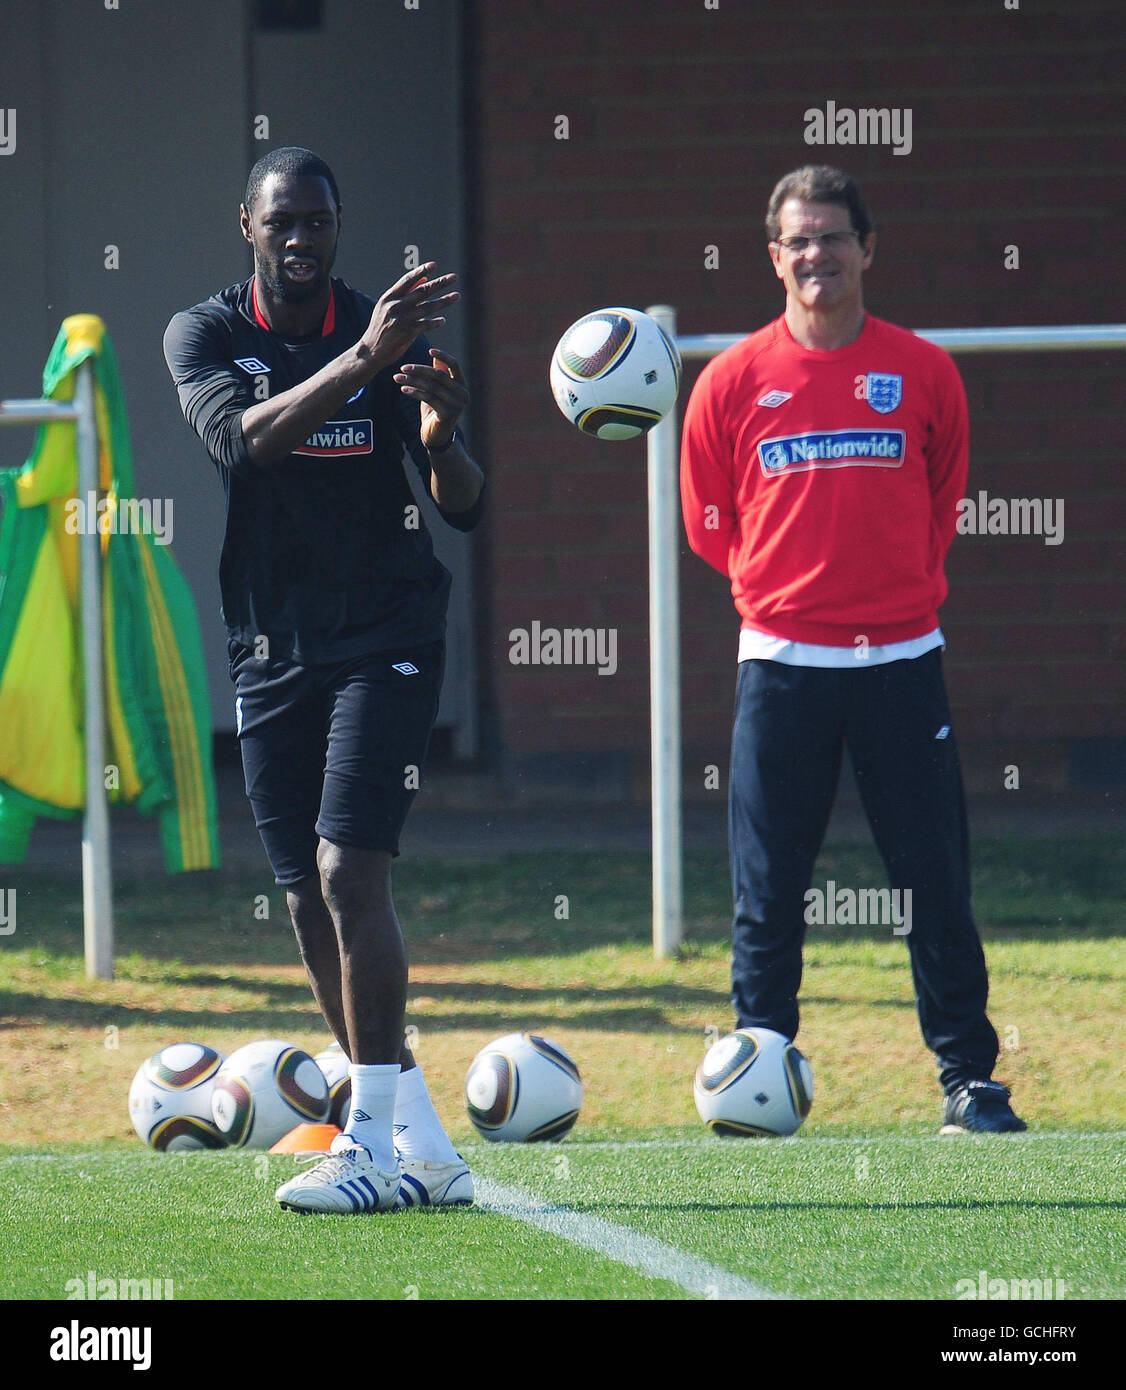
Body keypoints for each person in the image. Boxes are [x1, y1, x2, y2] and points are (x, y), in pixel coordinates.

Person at [163, 146, 486, 1211]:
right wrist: (361, 359)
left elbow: (463, 502)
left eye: (319, 221)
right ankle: (418, 1138)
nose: (302, 238)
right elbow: (243, 440)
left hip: (387, 634)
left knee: (351, 870)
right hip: (272, 648)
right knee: (303, 893)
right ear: (244, 226)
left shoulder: (384, 332)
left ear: (339, 229)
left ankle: (368, 1142)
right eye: (282, 221)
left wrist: (439, 437)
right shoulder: (204, 335)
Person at [680, 164, 1025, 1135]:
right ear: (772, 256)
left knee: (932, 881)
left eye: (833, 236)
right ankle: (758, 1071)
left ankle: (970, 1080)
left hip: (902, 666)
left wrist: (883, 595)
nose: (815, 254)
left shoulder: (923, 371)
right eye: (797, 239)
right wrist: (784, 595)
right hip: (782, 665)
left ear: (867, 248)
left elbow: (939, 501)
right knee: (767, 889)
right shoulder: (731, 381)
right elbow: (709, 524)